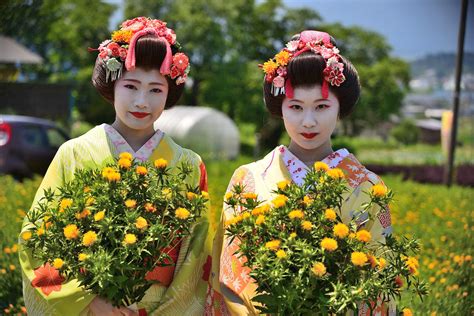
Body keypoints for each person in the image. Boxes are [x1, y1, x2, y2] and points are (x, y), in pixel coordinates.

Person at [19, 17, 214, 316]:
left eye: (155, 90)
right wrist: (87, 299)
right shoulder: (74, 153)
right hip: (90, 307)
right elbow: (37, 236)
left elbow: (197, 257)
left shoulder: (188, 164)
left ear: (169, 93)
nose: (141, 101)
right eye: (131, 86)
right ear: (112, 84)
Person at [206, 30, 394, 315]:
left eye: (321, 106)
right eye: (295, 107)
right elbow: (228, 272)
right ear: (280, 109)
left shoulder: (369, 187)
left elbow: (381, 276)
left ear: (340, 108)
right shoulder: (248, 179)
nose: (309, 121)